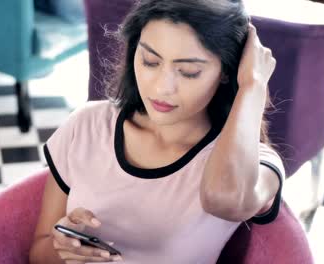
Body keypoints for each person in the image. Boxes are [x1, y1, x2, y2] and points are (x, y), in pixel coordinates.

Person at [29, 0, 285, 263]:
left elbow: (226, 199)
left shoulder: (254, 166)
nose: (162, 87)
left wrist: (253, 86)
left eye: (188, 72)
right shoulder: (87, 125)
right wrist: (67, 249)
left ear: (227, 72)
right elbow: (38, 253)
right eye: (150, 61)